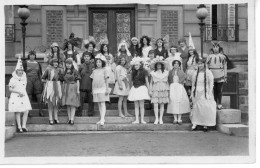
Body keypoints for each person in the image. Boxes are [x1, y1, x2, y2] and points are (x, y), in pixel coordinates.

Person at [190, 58, 216, 132]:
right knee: (196, 107)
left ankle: (205, 124)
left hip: (205, 91)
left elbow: (211, 83)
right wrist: (192, 93)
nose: (200, 65)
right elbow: (193, 84)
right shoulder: (195, 73)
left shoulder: (208, 72)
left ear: (204, 64)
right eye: (198, 64)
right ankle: (195, 123)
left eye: (201, 63)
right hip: (197, 91)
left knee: (205, 107)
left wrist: (209, 92)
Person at [8, 56, 32, 133]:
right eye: (19, 70)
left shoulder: (24, 77)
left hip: (24, 96)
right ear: (16, 71)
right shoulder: (13, 79)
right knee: (18, 111)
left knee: (26, 111)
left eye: (21, 70)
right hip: (16, 96)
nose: (20, 72)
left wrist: (22, 93)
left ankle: (24, 126)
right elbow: (10, 89)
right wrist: (18, 92)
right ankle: (19, 126)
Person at [167, 60, 190, 124]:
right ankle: (175, 118)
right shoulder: (170, 72)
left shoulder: (181, 72)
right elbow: (169, 80)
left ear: (179, 65)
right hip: (172, 87)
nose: (176, 65)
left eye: (177, 63)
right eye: (175, 63)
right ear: (173, 64)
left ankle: (179, 119)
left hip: (179, 87)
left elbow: (185, 77)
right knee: (173, 101)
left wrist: (181, 82)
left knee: (179, 102)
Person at [128, 57, 150, 124]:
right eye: (135, 65)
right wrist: (130, 89)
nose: (136, 66)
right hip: (135, 88)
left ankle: (142, 119)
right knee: (136, 105)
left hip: (141, 88)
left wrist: (149, 90)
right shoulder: (133, 72)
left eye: (137, 65)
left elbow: (147, 81)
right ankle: (137, 119)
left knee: (142, 105)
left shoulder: (144, 72)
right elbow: (131, 82)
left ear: (140, 65)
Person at [42, 58, 63, 125]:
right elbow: (43, 79)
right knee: (50, 103)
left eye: (57, 62)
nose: (56, 63)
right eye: (54, 62)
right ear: (52, 63)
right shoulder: (48, 69)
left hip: (57, 87)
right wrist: (48, 82)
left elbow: (62, 79)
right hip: (50, 87)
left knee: (56, 103)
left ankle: (56, 118)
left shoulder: (59, 70)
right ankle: (50, 118)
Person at [23, 50, 43, 117]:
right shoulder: (25, 63)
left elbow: (40, 73)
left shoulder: (38, 63)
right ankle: (29, 112)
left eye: (33, 55)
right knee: (29, 95)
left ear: (35, 56)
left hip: (36, 79)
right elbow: (23, 72)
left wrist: (41, 81)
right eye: (31, 55)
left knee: (39, 95)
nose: (32, 56)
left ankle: (40, 110)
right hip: (28, 79)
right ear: (29, 56)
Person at [207, 42, 227, 110]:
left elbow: (225, 66)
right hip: (212, 73)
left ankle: (220, 103)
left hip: (220, 74)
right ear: (212, 48)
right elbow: (207, 65)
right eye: (214, 47)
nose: (215, 49)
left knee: (219, 89)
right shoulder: (209, 56)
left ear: (219, 48)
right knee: (213, 89)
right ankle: (215, 103)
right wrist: (207, 73)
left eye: (217, 47)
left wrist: (225, 75)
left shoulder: (222, 56)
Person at [90, 54, 110, 126]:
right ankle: (102, 118)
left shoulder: (105, 70)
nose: (98, 63)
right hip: (96, 89)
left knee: (102, 103)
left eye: (99, 62)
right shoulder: (94, 71)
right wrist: (92, 90)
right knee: (98, 104)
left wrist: (107, 89)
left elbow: (106, 80)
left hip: (102, 88)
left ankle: (102, 119)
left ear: (102, 63)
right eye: (97, 62)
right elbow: (93, 80)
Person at [149, 57, 169, 124]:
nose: (158, 66)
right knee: (155, 104)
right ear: (155, 65)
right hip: (155, 88)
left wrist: (168, 90)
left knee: (162, 104)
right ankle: (156, 118)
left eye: (160, 64)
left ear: (162, 65)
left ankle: (161, 118)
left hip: (163, 88)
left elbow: (167, 82)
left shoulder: (166, 72)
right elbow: (151, 82)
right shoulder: (153, 73)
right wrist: (150, 90)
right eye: (157, 64)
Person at [62, 58, 81, 125]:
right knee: (68, 104)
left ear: (71, 64)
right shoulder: (64, 71)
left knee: (72, 104)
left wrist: (78, 90)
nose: (68, 65)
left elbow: (78, 80)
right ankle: (69, 118)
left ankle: (72, 119)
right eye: (67, 64)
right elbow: (63, 81)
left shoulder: (75, 71)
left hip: (73, 87)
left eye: (69, 64)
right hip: (66, 87)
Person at [77, 53, 95, 117]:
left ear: (90, 57)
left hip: (91, 86)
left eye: (88, 56)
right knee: (80, 101)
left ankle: (90, 114)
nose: (86, 57)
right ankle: (79, 113)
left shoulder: (93, 66)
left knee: (91, 101)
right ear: (83, 58)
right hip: (82, 86)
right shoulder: (81, 66)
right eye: (85, 56)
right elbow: (78, 76)